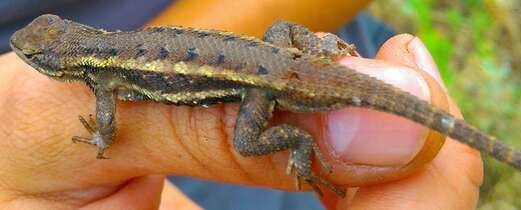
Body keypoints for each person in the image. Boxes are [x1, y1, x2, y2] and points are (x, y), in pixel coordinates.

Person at [0, 1, 482, 209]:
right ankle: (323, 50)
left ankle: (297, 141)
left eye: (32, 57)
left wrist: (102, 139)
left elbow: (108, 129)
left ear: (59, 64)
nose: (25, 58)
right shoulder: (109, 51)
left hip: (262, 86)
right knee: (279, 31)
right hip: (271, 55)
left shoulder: (100, 83)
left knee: (247, 143)